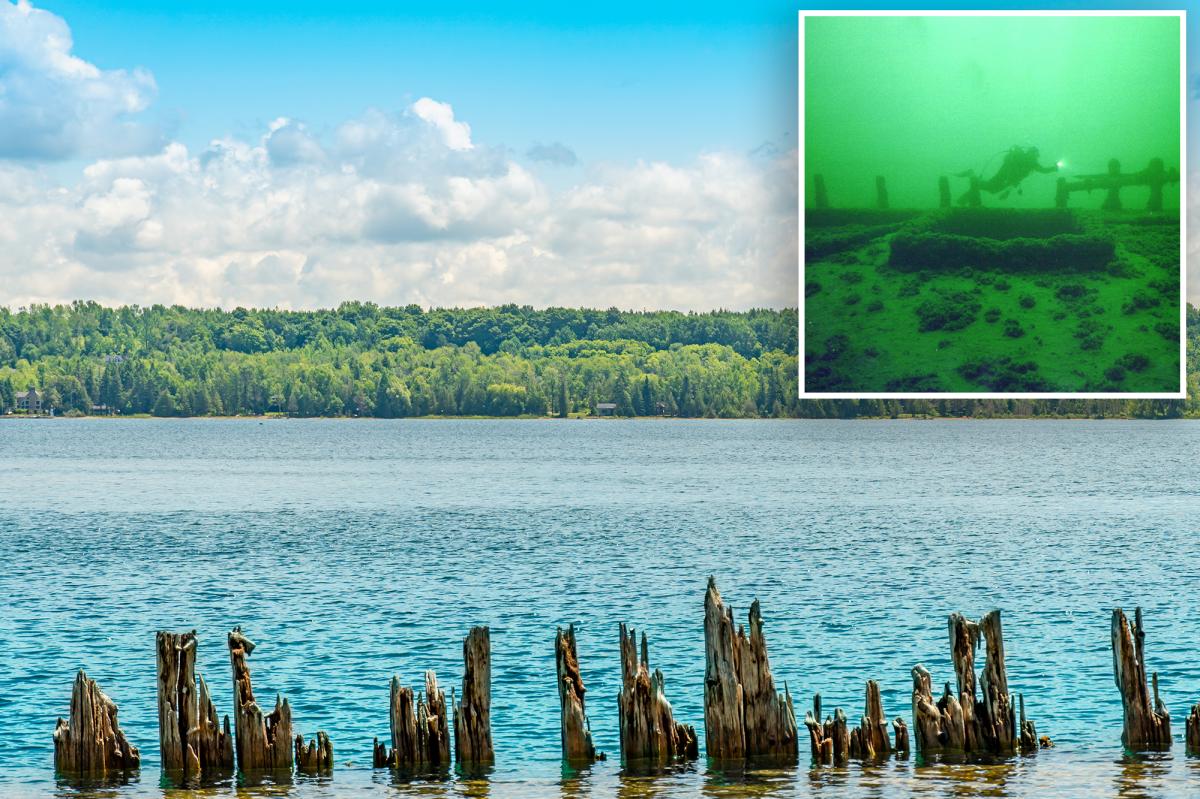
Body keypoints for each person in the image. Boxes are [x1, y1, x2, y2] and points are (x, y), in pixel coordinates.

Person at [957, 146, 1057, 203]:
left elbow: (1019, 177)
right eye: (1035, 154)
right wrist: (1055, 168)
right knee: (990, 188)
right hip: (1003, 176)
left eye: (1036, 155)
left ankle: (969, 183)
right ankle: (971, 176)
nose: (1035, 156)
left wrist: (1007, 191)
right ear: (1031, 153)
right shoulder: (1025, 160)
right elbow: (1014, 173)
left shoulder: (1032, 163)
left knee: (991, 189)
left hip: (1006, 179)